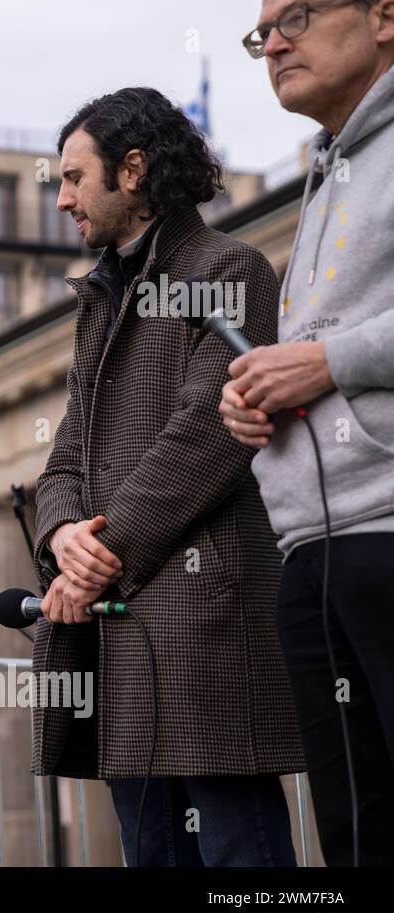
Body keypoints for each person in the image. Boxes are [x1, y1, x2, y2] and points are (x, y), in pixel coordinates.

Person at [33, 87, 304, 866]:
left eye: (74, 178)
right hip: (118, 629)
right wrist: (61, 535)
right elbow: (65, 455)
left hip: (202, 624)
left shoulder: (231, 267)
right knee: (151, 852)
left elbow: (208, 432)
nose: (62, 200)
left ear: (134, 170)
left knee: (241, 866)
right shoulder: (99, 299)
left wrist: (97, 552)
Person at [220, 0, 394, 865]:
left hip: (385, 535)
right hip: (312, 551)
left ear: (385, 17)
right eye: (262, 34)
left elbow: (337, 354)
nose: (275, 43)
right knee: (353, 837)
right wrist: (258, 396)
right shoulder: (330, 173)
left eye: (297, 16)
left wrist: (326, 362)